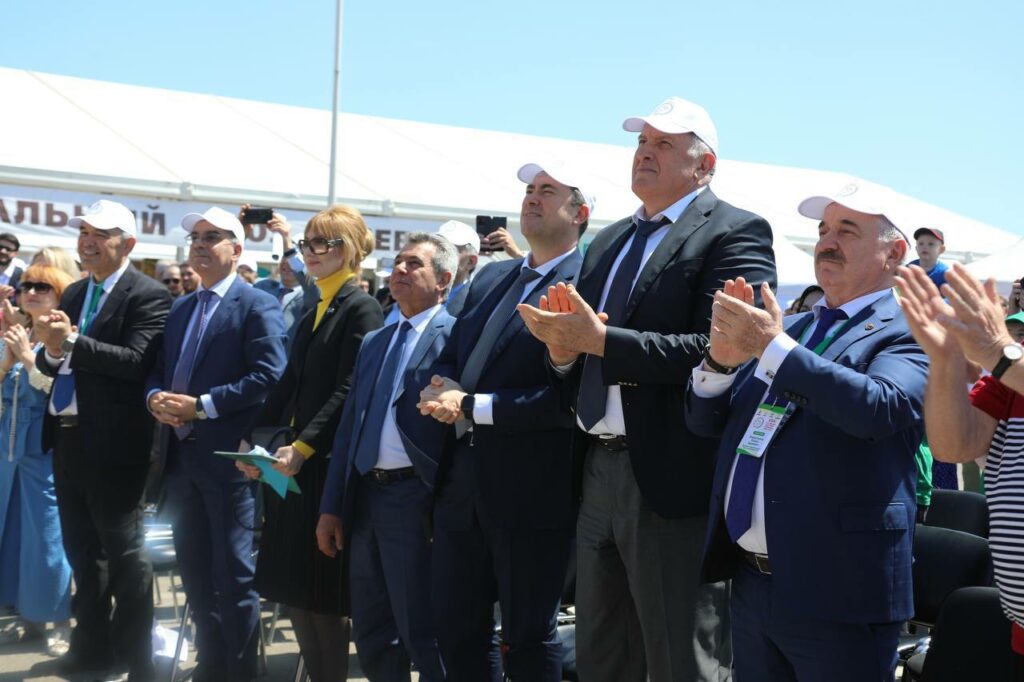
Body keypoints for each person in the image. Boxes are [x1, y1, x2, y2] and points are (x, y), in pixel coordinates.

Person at [517, 97, 776, 682]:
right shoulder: (609, 240)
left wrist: (601, 342)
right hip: (596, 468)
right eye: (641, 143)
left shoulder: (735, 230)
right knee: (603, 657)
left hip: (671, 475)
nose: (645, 154)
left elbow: (723, 346)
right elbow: (584, 343)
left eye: (663, 144)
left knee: (680, 660)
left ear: (704, 165)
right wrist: (562, 352)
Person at [684, 184, 926, 680]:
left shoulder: (913, 328)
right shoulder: (792, 329)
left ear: (894, 252)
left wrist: (773, 348)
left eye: (846, 231)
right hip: (753, 581)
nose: (826, 243)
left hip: (840, 588)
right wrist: (720, 364)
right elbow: (705, 423)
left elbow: (879, 407)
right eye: (823, 230)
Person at [418, 162, 588, 681]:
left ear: (580, 213)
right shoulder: (493, 277)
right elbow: (453, 350)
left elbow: (566, 397)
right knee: (456, 629)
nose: (532, 198)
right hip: (461, 484)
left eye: (548, 191)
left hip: (531, 491)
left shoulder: (588, 284)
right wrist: (441, 387)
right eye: (530, 190)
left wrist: (471, 405)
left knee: (528, 637)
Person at [239, 204, 383, 682]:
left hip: (323, 467)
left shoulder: (361, 307)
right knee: (294, 591)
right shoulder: (314, 306)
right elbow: (288, 384)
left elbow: (350, 389)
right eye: (307, 242)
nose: (312, 251)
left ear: (352, 250)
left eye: (324, 242)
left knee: (323, 599)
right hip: (292, 466)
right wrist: (252, 438)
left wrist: (302, 447)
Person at [146, 207, 287, 682]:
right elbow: (159, 369)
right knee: (195, 575)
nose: (200, 245)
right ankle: (210, 666)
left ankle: (240, 672)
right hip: (180, 461)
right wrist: (154, 398)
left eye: (212, 237)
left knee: (233, 577)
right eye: (196, 238)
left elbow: (269, 375)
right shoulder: (182, 307)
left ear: (237, 249)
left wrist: (202, 406)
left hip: (229, 464)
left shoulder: (256, 304)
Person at [33, 199, 172, 680]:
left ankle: (138, 660)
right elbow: (53, 362)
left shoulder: (147, 294)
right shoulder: (75, 291)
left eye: (99, 234)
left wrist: (69, 342)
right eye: (83, 233)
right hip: (67, 439)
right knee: (82, 556)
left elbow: (135, 361)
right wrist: (52, 349)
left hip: (117, 448)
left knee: (126, 559)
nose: (87, 242)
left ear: (127, 244)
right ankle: (91, 650)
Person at [317, 232, 456, 682]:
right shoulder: (376, 341)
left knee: (422, 630)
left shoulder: (455, 336)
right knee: (373, 630)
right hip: (365, 499)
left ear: (444, 280)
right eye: (398, 261)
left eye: (414, 264)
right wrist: (332, 507)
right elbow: (350, 429)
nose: (400, 269)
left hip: (416, 501)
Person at [895, 261, 1024, 676]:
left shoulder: (1010, 364)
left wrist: (996, 352)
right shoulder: (1011, 372)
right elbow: (953, 446)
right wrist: (946, 360)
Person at [0, 265, 75, 656]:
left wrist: (28, 358)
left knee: (47, 535)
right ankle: (28, 615)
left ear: (59, 293)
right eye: (26, 285)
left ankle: (60, 619)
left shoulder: (62, 335)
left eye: (42, 286)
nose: (30, 291)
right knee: (15, 532)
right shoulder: (18, 331)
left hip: (45, 445)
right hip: (8, 444)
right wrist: (7, 359)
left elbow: (57, 392)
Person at [252, 211, 320, 350]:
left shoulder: (310, 295)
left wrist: (288, 244)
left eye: (293, 259)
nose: (287, 262)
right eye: (285, 256)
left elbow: (311, 287)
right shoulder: (262, 287)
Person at [436, 220, 481, 316]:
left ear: (470, 262)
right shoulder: (416, 291)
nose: (438, 255)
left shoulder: (476, 303)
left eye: (449, 249)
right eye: (437, 248)